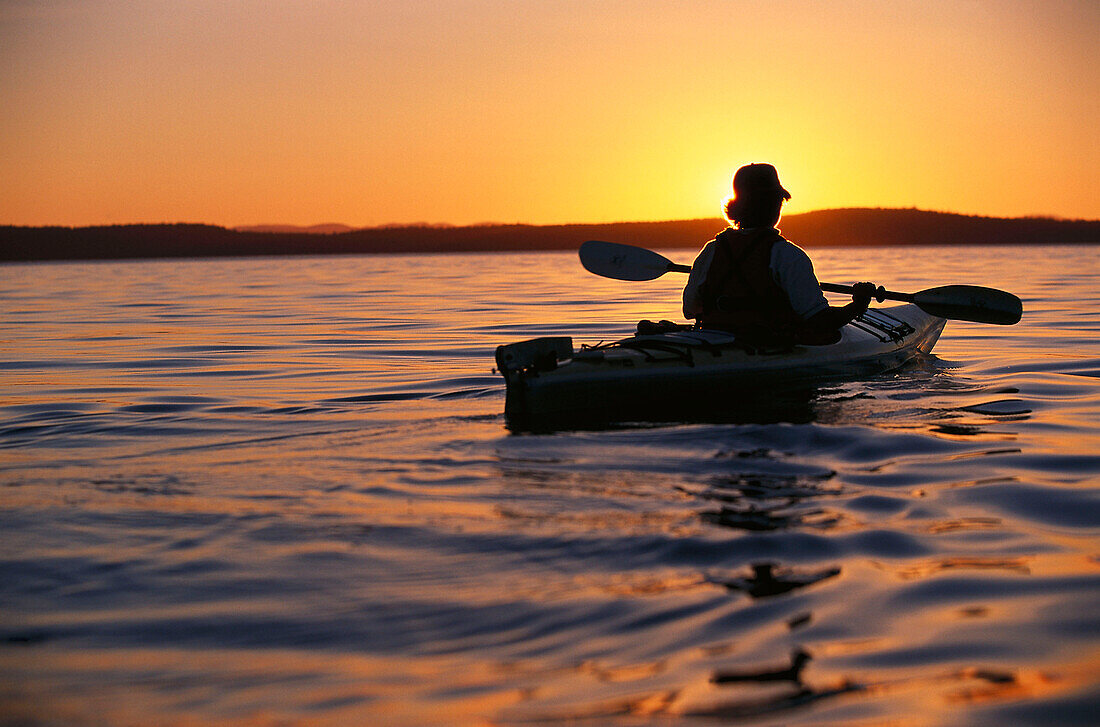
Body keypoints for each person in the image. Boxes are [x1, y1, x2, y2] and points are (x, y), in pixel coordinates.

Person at [682, 163, 876, 346]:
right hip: (768, 346)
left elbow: (690, 310)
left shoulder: (710, 251)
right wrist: (858, 305)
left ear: (736, 207)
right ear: (777, 205)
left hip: (711, 343)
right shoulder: (788, 255)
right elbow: (820, 321)